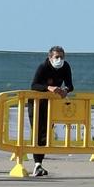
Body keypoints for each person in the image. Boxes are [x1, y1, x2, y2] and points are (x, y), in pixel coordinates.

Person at [28, 45, 73, 177]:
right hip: (36, 103)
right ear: (50, 57)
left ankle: (40, 164)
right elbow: (34, 85)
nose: (59, 59)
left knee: (46, 133)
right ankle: (37, 164)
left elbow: (70, 85)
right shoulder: (43, 67)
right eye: (56, 57)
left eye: (61, 57)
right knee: (37, 131)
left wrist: (65, 90)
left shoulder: (65, 66)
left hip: (51, 103)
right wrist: (49, 87)